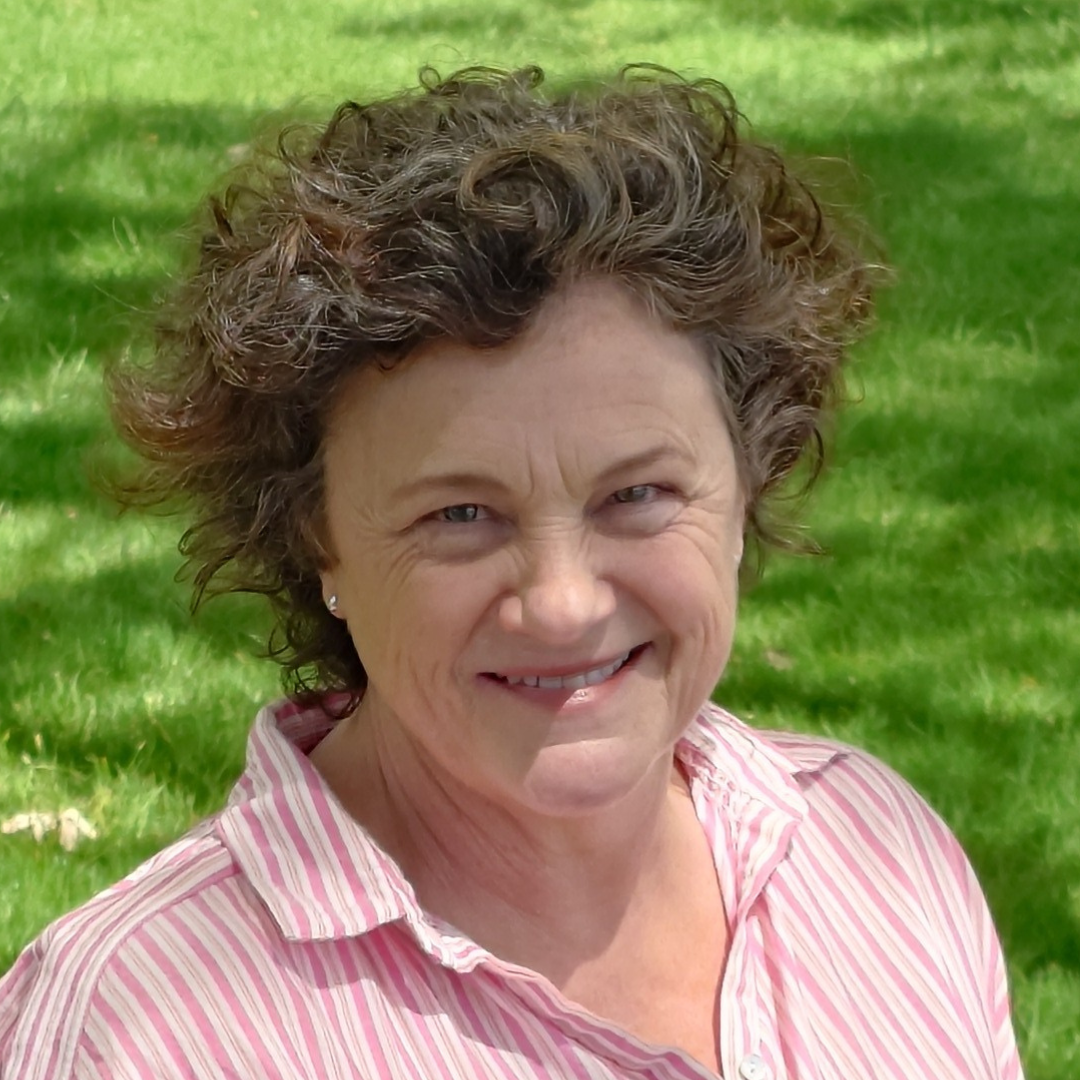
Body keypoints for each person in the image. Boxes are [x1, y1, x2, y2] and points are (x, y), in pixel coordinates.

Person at [0, 66, 1023, 1080]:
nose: (563, 604)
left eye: (637, 493)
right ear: (317, 539)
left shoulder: (876, 853)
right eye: (460, 515)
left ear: (747, 483)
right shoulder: (138, 1036)